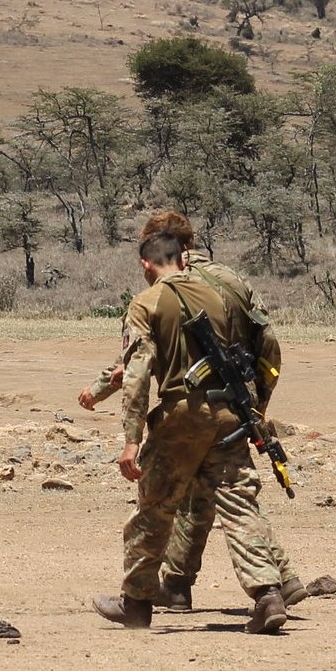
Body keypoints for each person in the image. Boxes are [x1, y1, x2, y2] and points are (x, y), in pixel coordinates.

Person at [78, 212, 304, 611]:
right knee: (236, 501)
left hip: (183, 414)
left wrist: (129, 437)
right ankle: (269, 589)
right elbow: (266, 345)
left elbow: (138, 367)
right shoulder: (226, 286)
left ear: (152, 258)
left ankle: (138, 602)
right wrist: (255, 406)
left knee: (156, 509)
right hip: (231, 408)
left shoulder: (151, 300)